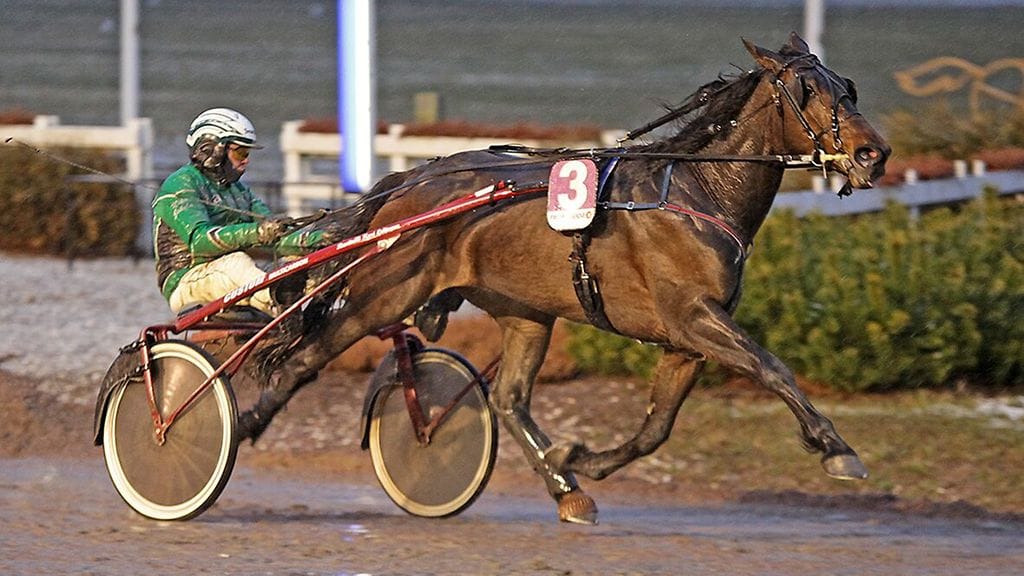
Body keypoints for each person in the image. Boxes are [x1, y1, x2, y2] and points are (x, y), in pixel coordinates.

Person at [152, 107, 323, 316]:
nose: (246, 159)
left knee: (297, 264)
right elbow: (199, 241)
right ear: (212, 150)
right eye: (241, 152)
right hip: (186, 281)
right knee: (236, 263)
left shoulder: (239, 190)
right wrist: (258, 232)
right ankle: (282, 310)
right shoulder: (181, 183)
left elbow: (277, 237)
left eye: (247, 153)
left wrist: (321, 241)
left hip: (229, 275)